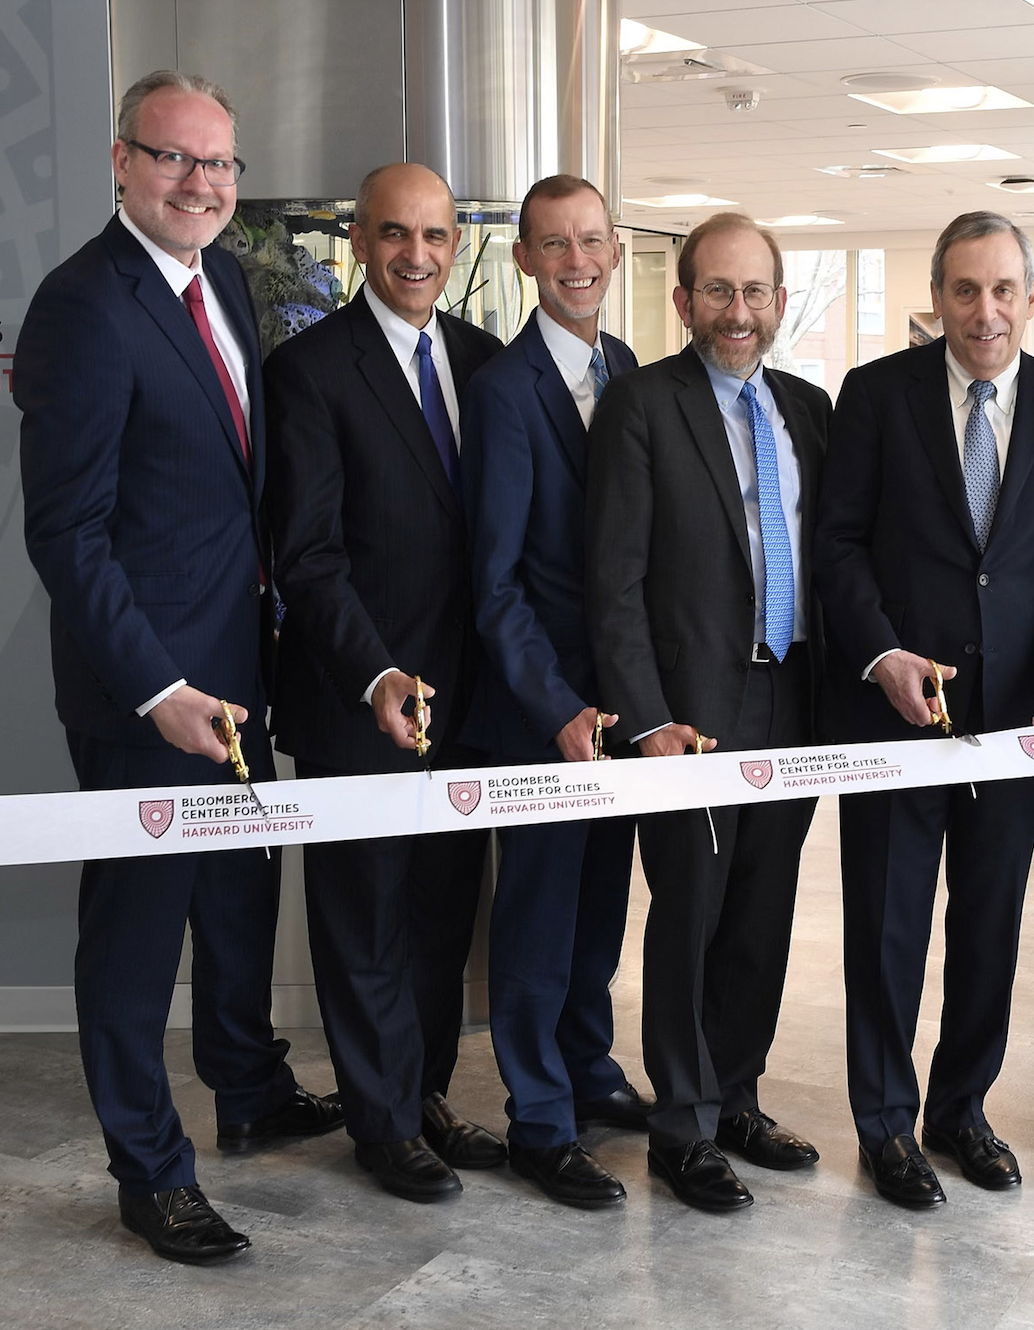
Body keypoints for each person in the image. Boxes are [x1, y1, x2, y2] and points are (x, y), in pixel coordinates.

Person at [15, 68, 341, 1265]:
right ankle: (149, 1170)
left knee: (238, 900)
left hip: (236, 675)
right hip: (147, 692)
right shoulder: (83, 307)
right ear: (119, 162)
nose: (201, 183)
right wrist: (157, 689)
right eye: (174, 158)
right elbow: (69, 531)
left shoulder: (224, 291)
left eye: (219, 164)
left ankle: (248, 1087)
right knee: (139, 936)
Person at [814, 210, 1034, 1209]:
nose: (983, 312)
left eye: (1002, 291)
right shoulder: (873, 395)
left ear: (1029, 297)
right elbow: (838, 547)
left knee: (990, 926)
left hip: (1013, 719)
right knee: (887, 927)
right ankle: (886, 1122)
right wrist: (882, 654)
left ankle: (959, 1108)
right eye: (963, 290)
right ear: (936, 297)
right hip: (896, 712)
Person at [263, 161, 505, 1201]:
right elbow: (307, 553)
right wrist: (374, 670)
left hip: (468, 700)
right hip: (356, 692)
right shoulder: (310, 370)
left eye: (435, 236)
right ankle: (380, 1119)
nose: (416, 255)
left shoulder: (486, 361)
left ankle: (424, 1093)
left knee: (442, 914)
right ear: (358, 241)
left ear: (456, 245)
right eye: (394, 234)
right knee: (363, 915)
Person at [588, 212, 830, 1211]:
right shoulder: (642, 406)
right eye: (719, 292)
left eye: (756, 292)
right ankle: (680, 1128)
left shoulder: (811, 411)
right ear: (684, 302)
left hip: (794, 692)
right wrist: (644, 717)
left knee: (763, 914)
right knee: (689, 911)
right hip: (689, 711)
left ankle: (734, 1094)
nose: (739, 311)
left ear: (779, 302)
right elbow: (612, 581)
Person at [456, 174, 649, 1210]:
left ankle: (589, 1068)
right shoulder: (501, 390)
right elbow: (495, 583)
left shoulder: (626, 369)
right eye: (554, 245)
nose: (578, 261)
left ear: (613, 249)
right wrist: (554, 705)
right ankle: (538, 1118)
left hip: (617, 709)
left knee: (599, 909)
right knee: (534, 923)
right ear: (525, 259)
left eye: (591, 241)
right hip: (540, 714)